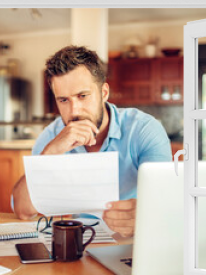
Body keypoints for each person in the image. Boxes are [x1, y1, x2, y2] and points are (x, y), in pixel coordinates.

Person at [12, 45, 172, 237]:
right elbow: (22, 210)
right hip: (80, 239)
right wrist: (49, 154)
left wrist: (146, 215)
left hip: (134, 238)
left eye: (82, 96)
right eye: (63, 100)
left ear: (104, 93)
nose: (74, 111)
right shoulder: (51, 136)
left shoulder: (144, 129)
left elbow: (167, 200)